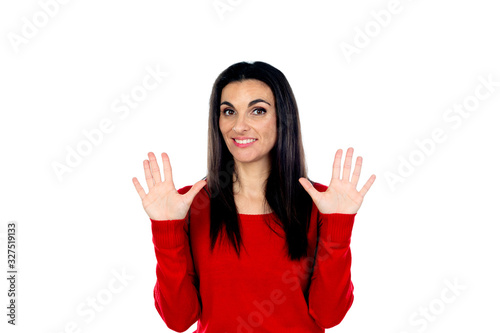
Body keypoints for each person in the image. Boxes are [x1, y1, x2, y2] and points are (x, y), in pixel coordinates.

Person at [132, 61, 376, 332]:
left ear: (283, 118)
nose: (239, 126)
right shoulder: (187, 204)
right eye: (228, 112)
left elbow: (329, 315)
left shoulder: (322, 203)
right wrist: (167, 231)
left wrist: (338, 226)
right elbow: (179, 319)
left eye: (257, 111)